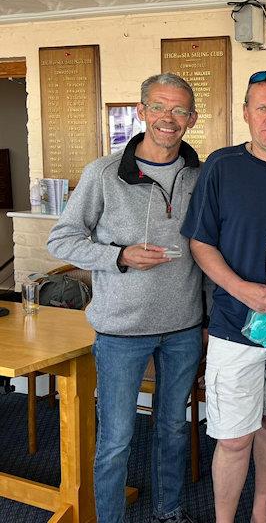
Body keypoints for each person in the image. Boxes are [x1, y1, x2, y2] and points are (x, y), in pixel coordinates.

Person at [48, 73, 203, 523]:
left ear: (191, 119)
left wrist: (210, 319)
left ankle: (169, 511)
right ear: (141, 112)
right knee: (116, 437)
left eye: (178, 110)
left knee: (173, 429)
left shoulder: (202, 174)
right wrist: (119, 256)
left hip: (184, 327)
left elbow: (209, 248)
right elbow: (62, 241)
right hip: (121, 331)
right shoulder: (103, 173)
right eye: (158, 107)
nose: (167, 119)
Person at [180, 69, 266, 523]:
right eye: (261, 108)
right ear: (245, 113)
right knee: (234, 436)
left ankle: (262, 508)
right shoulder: (221, 166)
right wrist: (242, 290)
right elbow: (200, 242)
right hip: (232, 327)